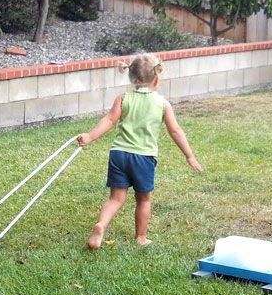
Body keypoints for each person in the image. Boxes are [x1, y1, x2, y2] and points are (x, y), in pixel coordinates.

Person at [76, 53, 203, 249]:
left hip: (118, 154)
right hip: (143, 158)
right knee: (143, 199)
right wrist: (190, 155)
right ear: (157, 78)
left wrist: (90, 136)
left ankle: (101, 225)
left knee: (116, 198)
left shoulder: (123, 98)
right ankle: (141, 237)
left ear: (130, 76)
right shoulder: (162, 103)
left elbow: (109, 120)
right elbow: (175, 131)